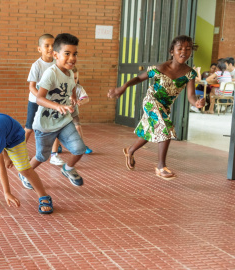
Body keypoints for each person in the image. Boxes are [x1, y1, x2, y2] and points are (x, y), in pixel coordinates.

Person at [108, 35, 205, 179]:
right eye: (180, 48)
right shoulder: (160, 68)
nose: (184, 51)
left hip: (165, 106)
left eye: (188, 49)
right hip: (151, 101)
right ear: (172, 51)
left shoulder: (190, 73)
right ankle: (161, 166)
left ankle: (130, 150)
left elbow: (191, 96)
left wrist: (196, 103)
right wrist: (123, 87)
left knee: (149, 132)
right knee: (164, 128)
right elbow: (139, 78)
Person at [19, 33, 86, 187]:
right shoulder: (51, 73)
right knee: (42, 157)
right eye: (67, 54)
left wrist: (74, 97)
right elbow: (39, 98)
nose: (72, 58)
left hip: (63, 121)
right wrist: (58, 106)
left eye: (75, 54)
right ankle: (24, 174)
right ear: (56, 55)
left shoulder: (70, 72)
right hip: (45, 125)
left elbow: (72, 85)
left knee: (79, 148)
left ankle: (68, 168)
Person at [25, 34, 67, 165]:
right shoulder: (36, 65)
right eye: (46, 45)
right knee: (29, 128)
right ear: (39, 49)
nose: (50, 48)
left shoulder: (58, 64)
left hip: (53, 103)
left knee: (56, 127)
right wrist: (41, 98)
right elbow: (31, 86)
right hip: (35, 101)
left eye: (52, 45)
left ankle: (54, 155)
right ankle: (19, 150)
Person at [71, 66, 92, 154]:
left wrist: (81, 101)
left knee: (78, 127)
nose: (74, 80)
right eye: (72, 78)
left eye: (76, 78)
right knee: (58, 131)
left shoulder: (79, 88)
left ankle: (82, 146)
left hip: (74, 113)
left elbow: (86, 98)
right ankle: (57, 146)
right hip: (62, 114)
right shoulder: (62, 87)